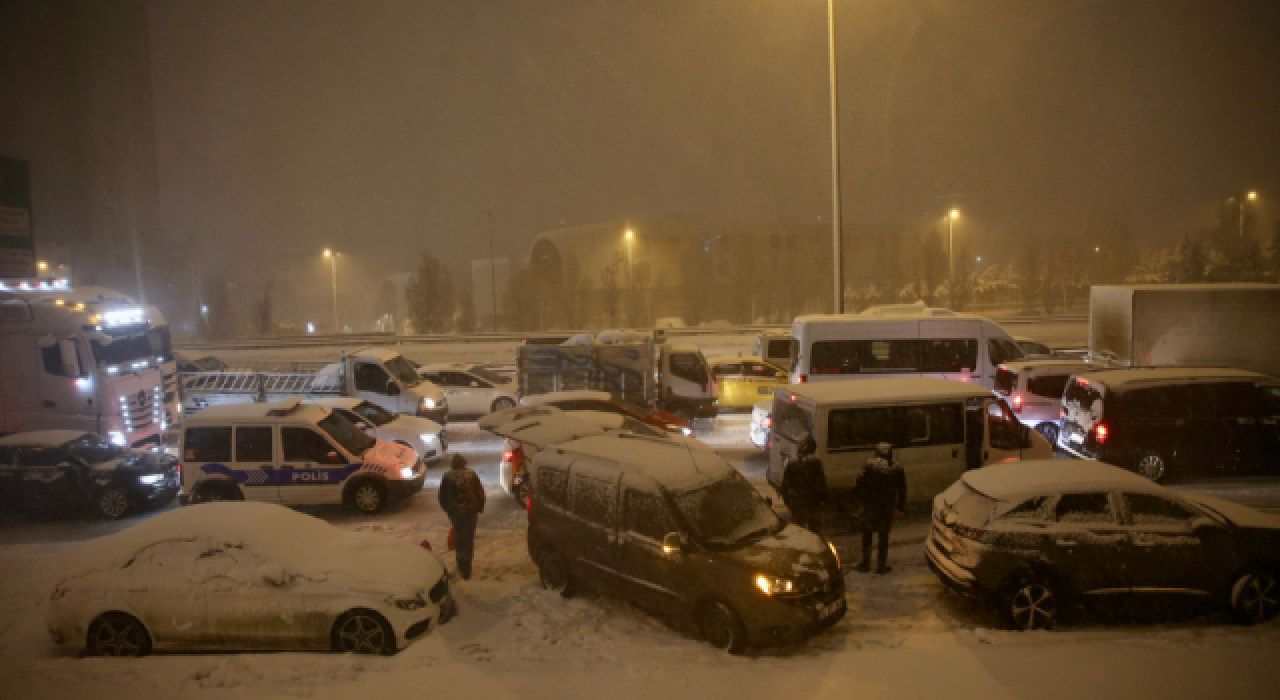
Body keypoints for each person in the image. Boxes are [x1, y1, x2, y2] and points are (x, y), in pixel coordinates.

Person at [853, 442, 907, 574]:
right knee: (883, 536)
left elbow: (859, 484)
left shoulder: (869, 466)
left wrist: (861, 501)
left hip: (870, 506)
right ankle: (881, 565)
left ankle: (865, 563)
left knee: (867, 534)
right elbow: (902, 489)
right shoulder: (896, 468)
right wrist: (900, 508)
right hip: (886, 508)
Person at [438, 453, 486, 580]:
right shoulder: (472, 474)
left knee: (459, 538)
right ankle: (467, 568)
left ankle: (460, 564)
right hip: (471, 512)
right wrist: (479, 507)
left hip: (455, 513)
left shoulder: (447, 476)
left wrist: (449, 511)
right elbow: (480, 493)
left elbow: (442, 497)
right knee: (468, 539)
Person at [779, 434, 829, 534]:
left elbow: (784, 486)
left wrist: (789, 502)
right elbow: (821, 485)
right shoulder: (815, 463)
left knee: (799, 531)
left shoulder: (791, 463)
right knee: (815, 532)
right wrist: (823, 500)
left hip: (798, 504)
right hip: (812, 504)